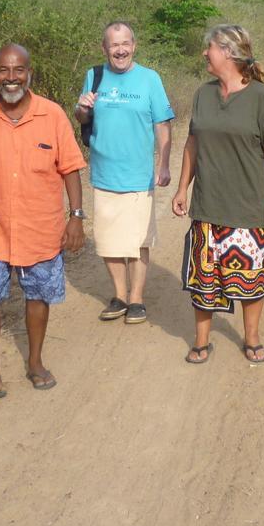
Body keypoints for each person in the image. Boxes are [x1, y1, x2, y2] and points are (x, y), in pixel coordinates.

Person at [0, 44, 86, 398]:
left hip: (39, 226)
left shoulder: (52, 115)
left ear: (30, 73)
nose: (11, 78)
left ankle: (35, 362)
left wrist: (76, 217)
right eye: (3, 70)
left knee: (38, 295)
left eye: (18, 70)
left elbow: (70, 168)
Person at [172, 24, 264, 365]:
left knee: (251, 278)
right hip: (208, 204)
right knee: (203, 280)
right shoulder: (203, 94)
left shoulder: (261, 96)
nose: (205, 53)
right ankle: (201, 341)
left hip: (248, 205)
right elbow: (193, 141)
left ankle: (252, 338)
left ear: (230, 53)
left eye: (210, 49)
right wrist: (182, 188)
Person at [73, 21, 174, 325]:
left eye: (125, 43)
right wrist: (81, 107)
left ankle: (137, 299)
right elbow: (81, 117)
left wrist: (164, 162)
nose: (120, 50)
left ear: (134, 45)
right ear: (104, 48)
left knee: (138, 240)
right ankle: (119, 295)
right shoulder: (95, 75)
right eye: (114, 45)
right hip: (103, 173)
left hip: (138, 175)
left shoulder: (149, 79)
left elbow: (162, 123)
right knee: (108, 240)